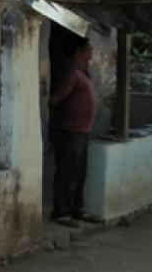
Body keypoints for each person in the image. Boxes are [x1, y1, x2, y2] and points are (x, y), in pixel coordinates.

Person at [49, 37, 96, 228]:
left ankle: (77, 209)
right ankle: (61, 212)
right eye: (88, 49)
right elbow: (55, 99)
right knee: (67, 172)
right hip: (69, 130)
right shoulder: (72, 73)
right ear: (79, 51)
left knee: (79, 172)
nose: (91, 52)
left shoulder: (82, 73)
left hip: (81, 130)